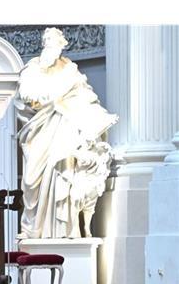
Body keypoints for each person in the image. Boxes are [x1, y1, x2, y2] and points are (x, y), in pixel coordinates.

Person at [16, 27, 118, 239]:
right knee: (32, 178)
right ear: (45, 45)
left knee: (65, 172)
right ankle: (34, 228)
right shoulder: (33, 69)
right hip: (42, 129)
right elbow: (26, 95)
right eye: (50, 44)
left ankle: (66, 230)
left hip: (66, 127)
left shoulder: (69, 69)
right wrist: (51, 96)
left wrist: (99, 117)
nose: (54, 49)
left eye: (57, 45)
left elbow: (87, 97)